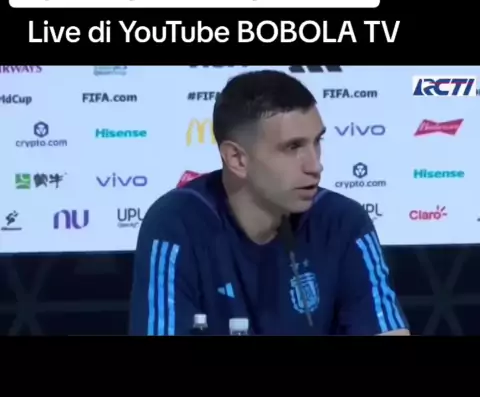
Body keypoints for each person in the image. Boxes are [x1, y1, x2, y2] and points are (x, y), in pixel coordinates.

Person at [129, 70, 410, 336]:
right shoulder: (176, 224)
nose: (315, 165)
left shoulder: (343, 221)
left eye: (316, 142)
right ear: (237, 159)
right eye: (293, 147)